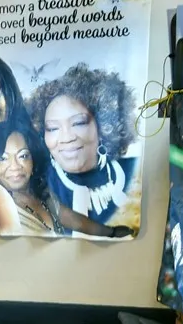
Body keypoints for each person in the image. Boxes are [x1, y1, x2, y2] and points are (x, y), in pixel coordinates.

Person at [0, 123, 136, 239]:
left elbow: (72, 219)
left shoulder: (40, 192)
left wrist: (110, 232)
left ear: (33, 159)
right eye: (2, 158)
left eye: (23, 155)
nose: (15, 166)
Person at [27, 63, 140, 224]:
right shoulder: (34, 187)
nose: (66, 137)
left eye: (78, 123)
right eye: (52, 128)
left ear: (103, 126)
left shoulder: (136, 173)